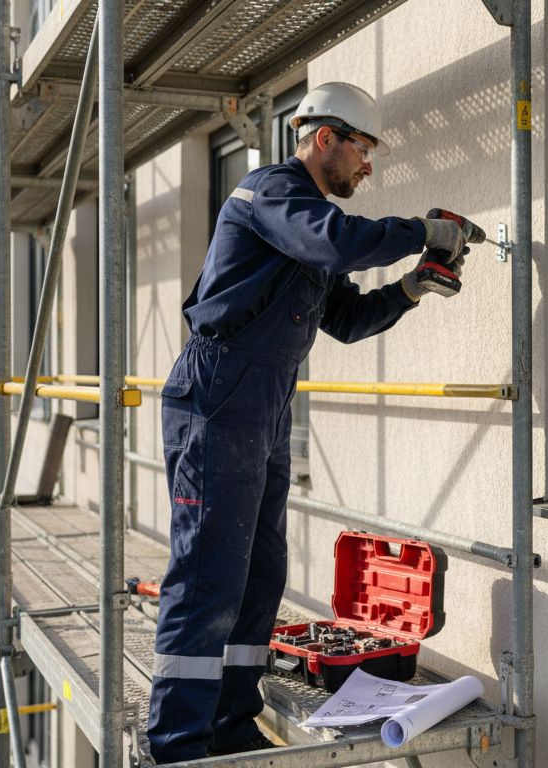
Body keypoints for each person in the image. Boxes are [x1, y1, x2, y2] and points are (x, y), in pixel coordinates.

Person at [146, 81, 470, 762]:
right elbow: (335, 243)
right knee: (208, 574)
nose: (368, 167)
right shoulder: (272, 195)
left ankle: (232, 720)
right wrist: (423, 231)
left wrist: (414, 286)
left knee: (259, 572)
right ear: (326, 138)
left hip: (262, 409)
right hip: (217, 398)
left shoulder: (306, 225)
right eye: (364, 150)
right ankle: (177, 741)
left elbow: (347, 320)